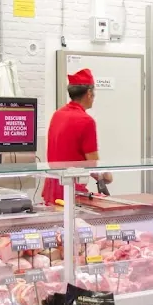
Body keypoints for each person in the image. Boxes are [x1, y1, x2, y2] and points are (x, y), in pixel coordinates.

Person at [41, 68, 111, 205]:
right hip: (71, 191)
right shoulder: (86, 121)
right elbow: (93, 164)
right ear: (89, 93)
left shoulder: (58, 115)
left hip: (53, 189)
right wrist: (105, 176)